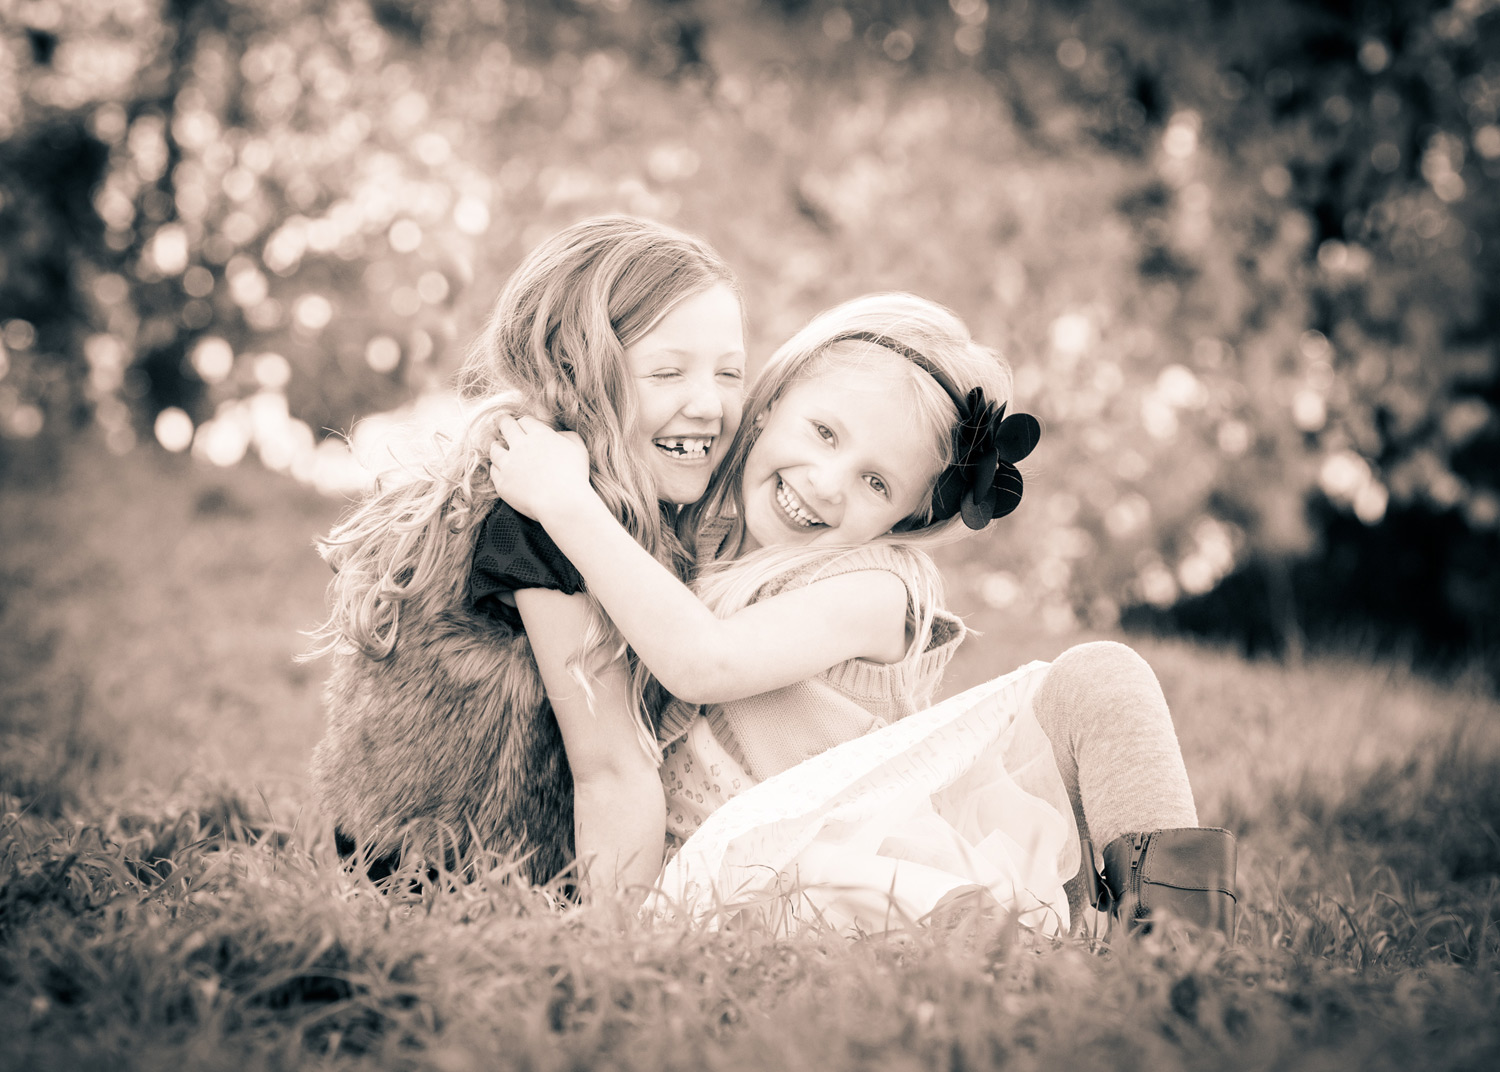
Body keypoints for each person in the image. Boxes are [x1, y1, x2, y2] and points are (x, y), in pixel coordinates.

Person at [486, 292, 1237, 936]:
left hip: (863, 860)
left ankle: (1182, 941)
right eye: (823, 432)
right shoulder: (687, 544)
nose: (826, 483)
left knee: (1101, 675)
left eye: (876, 482)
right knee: (799, 879)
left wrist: (564, 501)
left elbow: (702, 662)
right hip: (723, 879)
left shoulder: (881, 588)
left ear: (908, 517)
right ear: (774, 398)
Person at [305, 215, 747, 899]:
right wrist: (622, 952)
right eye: (668, 372)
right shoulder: (540, 519)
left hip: (450, 862)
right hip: (463, 880)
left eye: (729, 373)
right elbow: (611, 771)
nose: (709, 403)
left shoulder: (584, 487)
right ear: (573, 375)